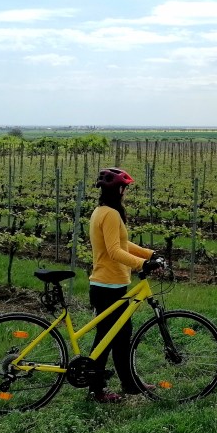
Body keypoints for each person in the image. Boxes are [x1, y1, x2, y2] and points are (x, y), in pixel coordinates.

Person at [87, 167, 162, 403]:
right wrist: (143, 265)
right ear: (119, 190)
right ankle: (96, 389)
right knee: (108, 339)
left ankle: (127, 383)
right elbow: (114, 250)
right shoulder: (110, 214)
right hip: (108, 285)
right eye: (125, 189)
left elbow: (122, 242)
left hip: (108, 284)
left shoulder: (101, 211)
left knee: (118, 337)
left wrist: (148, 254)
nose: (125, 193)